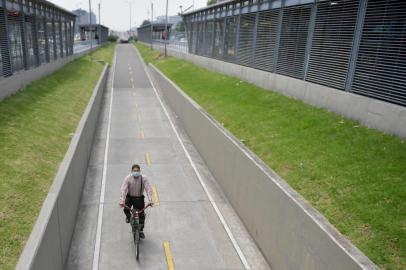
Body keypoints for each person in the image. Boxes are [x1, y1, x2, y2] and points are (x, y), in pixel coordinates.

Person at [119, 164, 153, 239]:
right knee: (126, 209)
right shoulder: (128, 178)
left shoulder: (143, 178)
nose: (136, 172)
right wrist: (122, 201)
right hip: (130, 197)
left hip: (139, 198)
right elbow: (123, 190)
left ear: (140, 171)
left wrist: (150, 200)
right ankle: (128, 217)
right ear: (131, 171)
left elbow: (148, 189)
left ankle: (140, 231)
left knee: (141, 215)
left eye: (137, 171)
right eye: (134, 171)